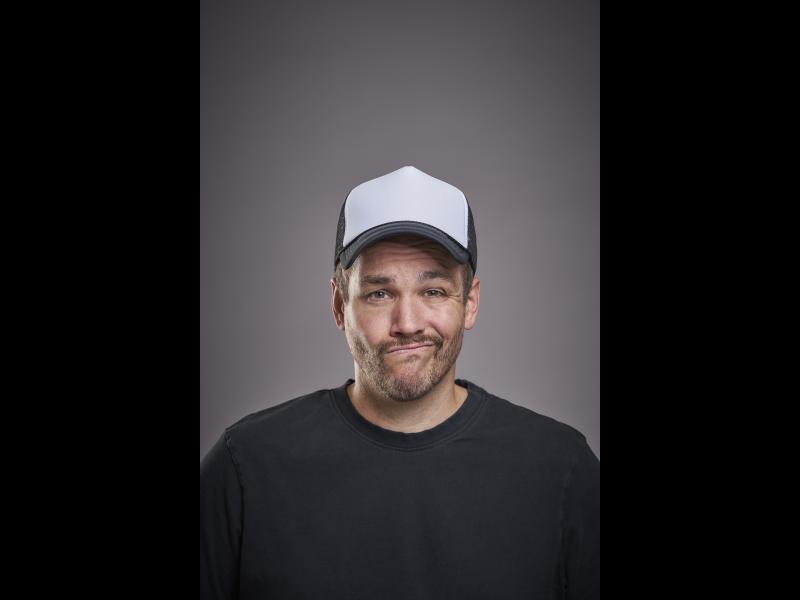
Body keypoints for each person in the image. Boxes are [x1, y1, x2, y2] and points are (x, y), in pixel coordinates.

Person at [200, 165, 599, 599]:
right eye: (379, 293)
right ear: (339, 305)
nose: (407, 323)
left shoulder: (561, 470)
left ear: (470, 303)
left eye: (433, 291)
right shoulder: (247, 468)